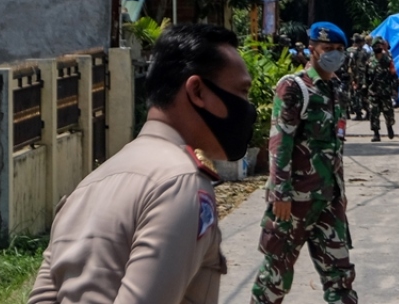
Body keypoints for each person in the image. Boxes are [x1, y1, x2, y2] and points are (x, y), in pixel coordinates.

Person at [28, 23, 254, 304]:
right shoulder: (181, 182)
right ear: (197, 91)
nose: (247, 106)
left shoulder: (87, 187)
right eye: (242, 91)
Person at [252, 22, 358, 304]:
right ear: (312, 50)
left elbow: (335, 147)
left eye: (339, 49)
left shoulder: (336, 88)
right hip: (294, 201)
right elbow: (280, 142)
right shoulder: (294, 87)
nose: (334, 54)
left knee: (341, 276)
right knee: (275, 277)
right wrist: (280, 193)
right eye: (328, 48)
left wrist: (340, 193)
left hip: (329, 200)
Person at [367, 37, 399, 142]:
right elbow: (365, 75)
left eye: (379, 45)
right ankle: (376, 133)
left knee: (388, 112)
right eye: (376, 46)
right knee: (374, 113)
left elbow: (394, 75)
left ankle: (389, 127)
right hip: (373, 91)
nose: (378, 47)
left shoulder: (387, 60)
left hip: (385, 91)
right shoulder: (369, 60)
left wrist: (395, 89)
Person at [348, 34, 369, 121]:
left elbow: (351, 65)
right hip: (364, 77)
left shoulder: (355, 53)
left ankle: (359, 113)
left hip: (358, 77)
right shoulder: (366, 52)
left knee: (356, 96)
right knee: (364, 96)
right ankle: (368, 112)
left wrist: (353, 79)